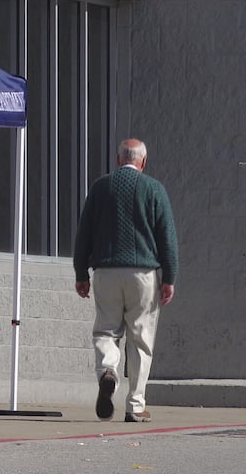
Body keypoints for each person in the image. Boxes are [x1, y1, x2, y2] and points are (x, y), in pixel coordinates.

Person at [73, 138, 178, 423]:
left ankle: (108, 371)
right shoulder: (154, 189)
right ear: (143, 162)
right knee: (141, 339)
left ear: (118, 160)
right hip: (143, 275)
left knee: (106, 331)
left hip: (106, 272)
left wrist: (81, 273)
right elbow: (166, 237)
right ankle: (135, 406)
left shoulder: (100, 188)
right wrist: (169, 277)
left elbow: (84, 234)